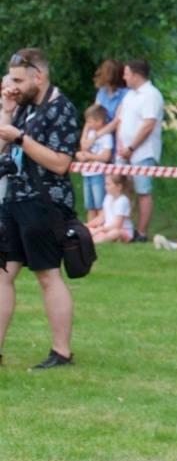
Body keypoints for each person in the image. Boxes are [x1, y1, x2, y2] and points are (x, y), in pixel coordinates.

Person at [0, 48, 82, 370]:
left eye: (18, 80)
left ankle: (61, 352)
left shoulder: (61, 109)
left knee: (48, 275)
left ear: (39, 76)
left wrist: (20, 138)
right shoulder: (21, 109)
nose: (13, 86)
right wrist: (6, 112)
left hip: (45, 202)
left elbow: (60, 164)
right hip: (13, 200)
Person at [113, 58, 164, 243]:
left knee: (143, 190)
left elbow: (148, 124)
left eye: (126, 73)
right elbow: (121, 120)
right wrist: (120, 145)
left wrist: (131, 147)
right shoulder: (129, 96)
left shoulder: (151, 95)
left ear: (135, 75)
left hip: (143, 152)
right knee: (120, 189)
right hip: (123, 152)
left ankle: (141, 232)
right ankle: (123, 228)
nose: (124, 77)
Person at [77, 104, 114, 217]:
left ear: (99, 121)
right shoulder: (90, 134)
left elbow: (106, 156)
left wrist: (89, 156)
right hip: (87, 173)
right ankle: (90, 230)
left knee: (99, 204)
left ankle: (100, 229)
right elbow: (83, 150)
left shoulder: (106, 137)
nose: (87, 125)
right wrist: (80, 155)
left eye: (89, 122)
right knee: (90, 205)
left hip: (98, 173)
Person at [88, 175, 135, 244]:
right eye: (105, 184)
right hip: (107, 229)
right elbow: (101, 218)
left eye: (108, 184)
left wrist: (100, 229)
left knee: (115, 232)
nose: (105, 187)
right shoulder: (108, 197)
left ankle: (96, 240)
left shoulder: (123, 201)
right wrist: (87, 225)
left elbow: (117, 225)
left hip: (121, 231)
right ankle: (95, 238)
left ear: (118, 186)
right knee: (87, 230)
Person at [93, 58, 128, 123]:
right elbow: (94, 115)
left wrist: (98, 133)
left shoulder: (125, 93)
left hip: (113, 130)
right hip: (99, 127)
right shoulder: (102, 92)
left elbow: (117, 120)